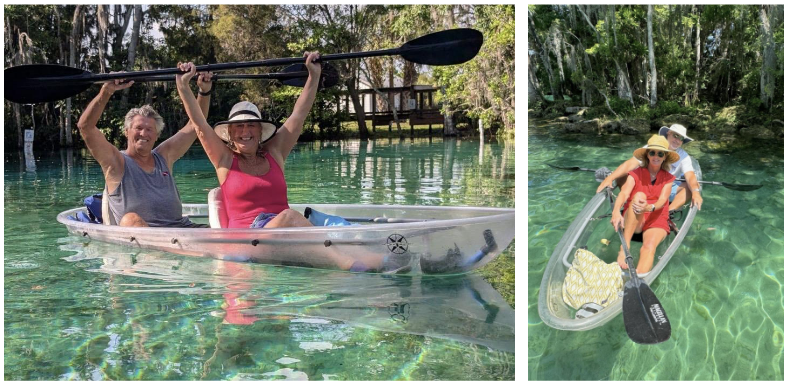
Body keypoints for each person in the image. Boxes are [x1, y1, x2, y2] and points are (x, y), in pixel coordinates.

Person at [77, 62, 215, 227]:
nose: (143, 133)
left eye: (149, 129)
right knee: (130, 219)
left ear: (156, 135)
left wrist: (204, 91)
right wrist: (107, 91)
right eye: (138, 128)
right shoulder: (115, 162)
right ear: (126, 131)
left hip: (183, 230)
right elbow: (85, 127)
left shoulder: (164, 156)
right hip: (147, 240)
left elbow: (195, 125)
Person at [610, 135, 679, 277]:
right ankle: (625, 247)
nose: (656, 156)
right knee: (640, 196)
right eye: (652, 152)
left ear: (665, 156)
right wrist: (616, 211)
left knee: (649, 247)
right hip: (635, 218)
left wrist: (650, 207)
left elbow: (662, 200)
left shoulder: (668, 178)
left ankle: (640, 280)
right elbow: (623, 193)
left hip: (656, 217)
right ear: (647, 154)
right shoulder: (635, 173)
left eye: (660, 153)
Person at [597, 124, 703, 211]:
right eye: (675, 135)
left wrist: (695, 192)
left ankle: (668, 212)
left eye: (681, 138)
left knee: (693, 186)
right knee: (622, 176)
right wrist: (610, 178)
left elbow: (690, 175)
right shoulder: (652, 146)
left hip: (667, 188)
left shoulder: (684, 156)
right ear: (668, 134)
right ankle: (628, 202)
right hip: (645, 185)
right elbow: (631, 163)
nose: (678, 140)